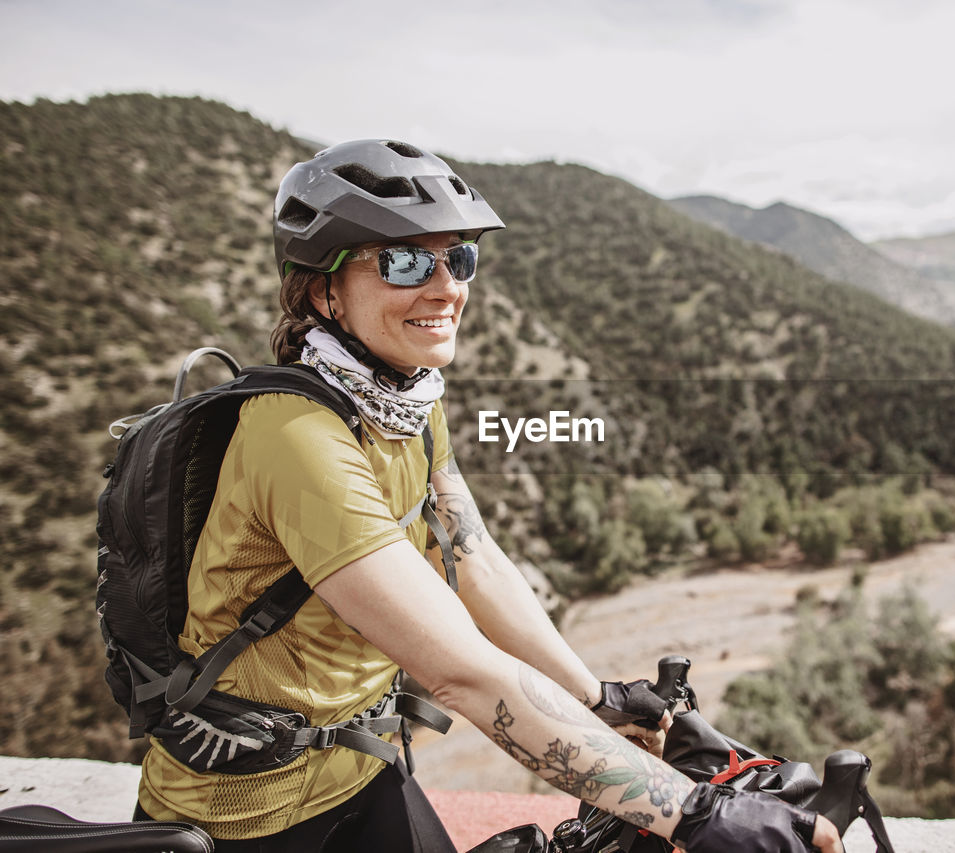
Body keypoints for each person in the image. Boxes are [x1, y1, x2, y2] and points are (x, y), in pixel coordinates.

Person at [134, 139, 844, 852]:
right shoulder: (297, 439)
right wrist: (690, 810)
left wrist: (594, 696)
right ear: (322, 289)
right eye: (405, 260)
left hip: (358, 764)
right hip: (249, 811)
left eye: (460, 257)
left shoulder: (402, 402)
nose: (447, 287)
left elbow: (473, 559)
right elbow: (462, 673)